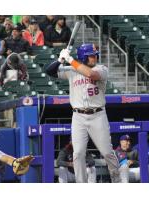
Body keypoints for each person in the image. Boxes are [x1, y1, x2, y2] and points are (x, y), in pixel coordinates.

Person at [46, 43, 120, 183]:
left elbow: (90, 74)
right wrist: (60, 60)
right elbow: (49, 71)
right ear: (83, 57)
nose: (94, 58)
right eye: (90, 56)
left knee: (107, 153)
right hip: (78, 116)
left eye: (94, 55)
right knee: (78, 153)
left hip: (97, 115)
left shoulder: (101, 69)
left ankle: (117, 180)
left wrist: (69, 60)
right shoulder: (71, 70)